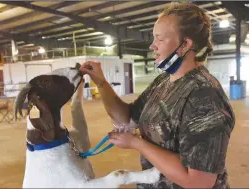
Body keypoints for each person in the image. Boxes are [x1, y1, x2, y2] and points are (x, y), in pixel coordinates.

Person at [80, 2, 235, 189]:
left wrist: (137, 143)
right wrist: (102, 83)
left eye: (160, 39)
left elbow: (198, 182)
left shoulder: (204, 96)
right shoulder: (164, 81)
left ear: (185, 44)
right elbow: (127, 118)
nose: (152, 46)